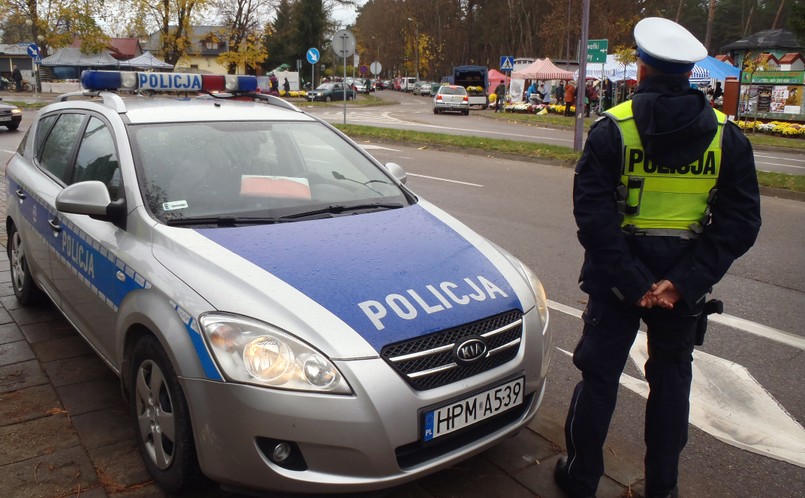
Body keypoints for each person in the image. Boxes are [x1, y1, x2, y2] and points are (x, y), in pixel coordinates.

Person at [554, 17, 761, 498]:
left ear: (642, 68)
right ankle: (662, 489)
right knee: (671, 386)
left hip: (616, 279)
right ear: (691, 73)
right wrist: (681, 283)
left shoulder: (612, 130)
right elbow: (740, 223)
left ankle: (582, 479)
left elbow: (593, 217)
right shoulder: (727, 138)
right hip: (681, 286)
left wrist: (633, 282)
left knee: (600, 380)